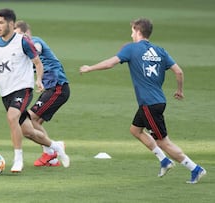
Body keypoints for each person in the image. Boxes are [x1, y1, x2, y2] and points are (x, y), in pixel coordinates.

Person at [79, 18, 206, 184]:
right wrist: (179, 91)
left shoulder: (131, 49)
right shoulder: (160, 51)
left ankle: (195, 169)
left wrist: (90, 68)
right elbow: (179, 72)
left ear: (138, 31)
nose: (131, 34)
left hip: (149, 104)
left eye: (132, 31)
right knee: (135, 130)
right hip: (157, 100)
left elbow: (110, 63)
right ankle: (164, 161)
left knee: (163, 142)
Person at [0, 8, 69, 173]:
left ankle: (18, 159)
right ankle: (56, 146)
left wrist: (38, 79)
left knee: (12, 116)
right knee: (29, 131)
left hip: (23, 88)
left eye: (1, 22)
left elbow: (37, 62)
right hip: (6, 92)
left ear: (10, 23)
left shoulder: (23, 41)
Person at [14, 20, 70, 167]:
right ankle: (52, 158)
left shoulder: (35, 42)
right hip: (51, 89)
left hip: (58, 87)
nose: (18, 39)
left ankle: (52, 150)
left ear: (26, 33)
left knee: (29, 119)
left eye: (19, 35)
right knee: (35, 122)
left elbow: (36, 48)